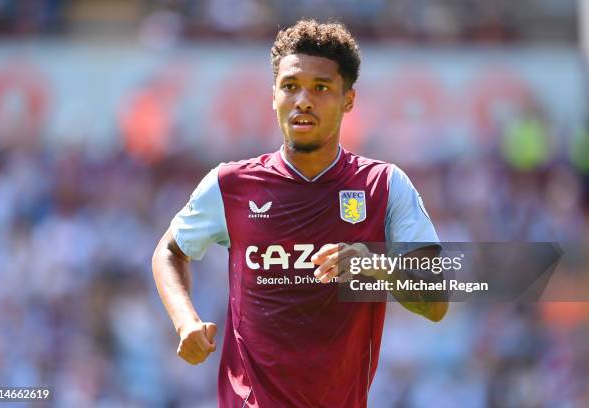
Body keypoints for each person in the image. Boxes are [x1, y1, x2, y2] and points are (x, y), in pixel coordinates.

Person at [152, 19, 448, 407]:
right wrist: (185, 320)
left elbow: (437, 300)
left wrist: (375, 267)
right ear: (273, 96)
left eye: (320, 88)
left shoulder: (384, 186)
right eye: (290, 86)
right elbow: (170, 251)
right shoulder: (230, 184)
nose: (303, 100)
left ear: (348, 100)